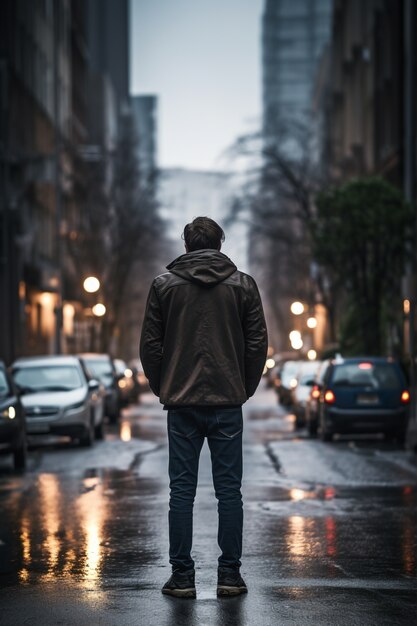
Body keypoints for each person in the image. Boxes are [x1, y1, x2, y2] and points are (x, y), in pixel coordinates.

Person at [140, 216, 267, 598]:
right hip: (227, 401)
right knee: (230, 492)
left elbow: (150, 345)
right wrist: (243, 387)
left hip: (182, 405)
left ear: (186, 245)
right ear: (220, 245)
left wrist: (165, 386)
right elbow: (257, 343)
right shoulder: (243, 285)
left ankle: (182, 577)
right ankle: (229, 575)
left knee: (182, 492)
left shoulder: (164, 286)